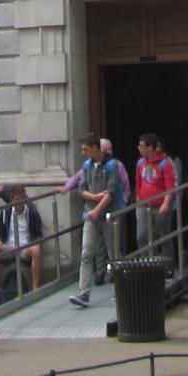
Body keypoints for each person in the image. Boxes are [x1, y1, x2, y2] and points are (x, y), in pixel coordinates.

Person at [68, 132, 122, 308]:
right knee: (86, 253)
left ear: (95, 148)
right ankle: (84, 292)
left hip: (107, 214)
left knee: (113, 253)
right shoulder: (87, 166)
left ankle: (121, 289)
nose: (83, 152)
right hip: (91, 214)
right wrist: (94, 197)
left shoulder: (112, 165)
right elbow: (81, 188)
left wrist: (98, 207)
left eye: (85, 149)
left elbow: (111, 191)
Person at [0, 183, 44, 303]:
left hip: (25, 246)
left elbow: (38, 234)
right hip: (9, 246)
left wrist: (34, 244)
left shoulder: (31, 212)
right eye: (17, 199)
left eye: (22, 199)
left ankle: (35, 289)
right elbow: (0, 233)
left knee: (36, 251)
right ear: (12, 199)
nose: (19, 202)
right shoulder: (5, 212)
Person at [134, 133, 178, 266]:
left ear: (150, 147)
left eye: (142, 146)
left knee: (163, 234)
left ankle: (167, 264)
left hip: (159, 204)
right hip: (144, 204)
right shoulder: (140, 163)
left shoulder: (165, 163)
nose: (139, 148)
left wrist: (166, 204)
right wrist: (137, 205)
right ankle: (146, 264)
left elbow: (169, 185)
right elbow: (138, 184)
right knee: (142, 235)